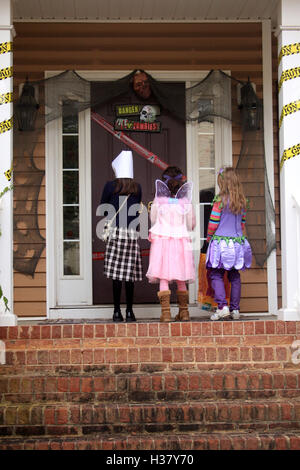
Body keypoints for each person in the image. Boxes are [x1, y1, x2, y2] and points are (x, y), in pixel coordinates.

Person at [146, 166, 196, 322]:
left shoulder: (158, 201)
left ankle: (166, 313)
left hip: (162, 241)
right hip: (180, 240)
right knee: (181, 276)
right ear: (181, 183)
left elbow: (153, 219)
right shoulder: (185, 202)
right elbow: (191, 224)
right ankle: (184, 312)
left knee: (163, 277)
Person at [100, 150, 142, 323]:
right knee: (129, 274)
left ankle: (117, 312)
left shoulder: (110, 186)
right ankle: (130, 312)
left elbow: (103, 208)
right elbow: (138, 208)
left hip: (116, 232)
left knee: (117, 274)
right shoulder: (137, 187)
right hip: (131, 233)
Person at [206, 167, 252, 321]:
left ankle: (222, 307)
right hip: (238, 243)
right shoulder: (242, 201)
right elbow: (243, 224)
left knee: (216, 274)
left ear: (223, 183)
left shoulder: (219, 201)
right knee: (234, 275)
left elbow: (213, 223)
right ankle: (235, 309)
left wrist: (208, 238)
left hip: (221, 243)